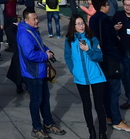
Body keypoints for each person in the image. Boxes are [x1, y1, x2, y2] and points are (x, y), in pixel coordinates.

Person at [89, 0, 130, 132]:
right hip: (110, 58)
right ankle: (116, 120)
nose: (109, 6)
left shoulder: (94, 19)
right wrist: (117, 41)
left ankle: (109, 115)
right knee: (114, 91)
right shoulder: (104, 19)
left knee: (107, 89)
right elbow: (111, 41)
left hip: (101, 58)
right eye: (107, 4)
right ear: (103, 6)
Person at [18, 7, 66, 139]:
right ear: (26, 20)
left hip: (40, 71)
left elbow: (39, 46)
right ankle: (37, 128)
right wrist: (45, 56)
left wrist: (47, 50)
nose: (37, 21)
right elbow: (30, 54)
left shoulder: (32, 31)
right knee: (36, 101)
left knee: (44, 99)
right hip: (32, 72)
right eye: (34, 19)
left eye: (37, 18)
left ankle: (49, 123)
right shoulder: (24, 34)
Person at [63, 15, 107, 139]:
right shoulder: (69, 41)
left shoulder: (92, 38)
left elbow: (99, 57)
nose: (81, 26)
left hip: (96, 77)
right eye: (78, 24)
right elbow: (68, 57)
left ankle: (102, 132)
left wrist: (88, 50)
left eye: (82, 23)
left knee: (99, 106)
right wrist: (74, 71)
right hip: (80, 78)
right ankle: (91, 131)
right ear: (73, 26)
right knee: (86, 105)